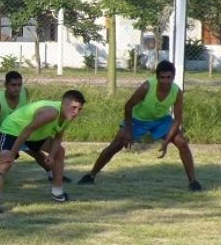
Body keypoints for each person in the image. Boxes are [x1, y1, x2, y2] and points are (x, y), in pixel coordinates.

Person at [78, 61, 201, 191]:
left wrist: (167, 140)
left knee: (182, 142)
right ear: (157, 77)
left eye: (169, 77)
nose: (165, 81)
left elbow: (178, 120)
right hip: (138, 120)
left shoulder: (177, 92)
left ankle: (193, 182)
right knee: (116, 144)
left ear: (174, 77)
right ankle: (91, 175)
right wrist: (129, 131)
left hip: (161, 120)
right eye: (162, 77)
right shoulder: (147, 87)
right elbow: (128, 106)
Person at [0, 90, 87, 214]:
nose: (76, 112)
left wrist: (51, 155)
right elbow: (27, 130)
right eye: (74, 107)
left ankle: (57, 193)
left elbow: (58, 137)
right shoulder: (51, 113)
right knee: (5, 162)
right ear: (64, 103)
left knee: (59, 152)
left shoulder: (68, 115)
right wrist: (13, 153)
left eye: (79, 109)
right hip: (14, 130)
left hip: (34, 134)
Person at [0, 71, 64, 188]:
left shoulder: (24, 93)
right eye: (13, 85)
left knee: (36, 151)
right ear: (6, 85)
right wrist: (4, 140)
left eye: (19, 85)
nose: (17, 88)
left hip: (18, 130)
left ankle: (52, 173)